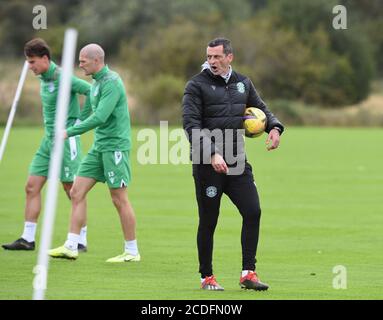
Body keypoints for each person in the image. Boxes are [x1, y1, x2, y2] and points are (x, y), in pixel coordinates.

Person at [182, 38, 284, 291]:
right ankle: (207, 277)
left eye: (217, 57)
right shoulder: (196, 86)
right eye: (209, 57)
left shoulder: (243, 82)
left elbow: (260, 109)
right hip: (208, 166)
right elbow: (191, 126)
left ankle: (248, 273)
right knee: (209, 220)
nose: (212, 62)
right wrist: (212, 154)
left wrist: (274, 127)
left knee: (253, 211)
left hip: (237, 162)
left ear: (230, 57)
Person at [48, 44, 140, 262]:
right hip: (99, 147)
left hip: (115, 146)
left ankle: (132, 251)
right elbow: (89, 110)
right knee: (76, 192)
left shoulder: (112, 83)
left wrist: (68, 132)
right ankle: (71, 245)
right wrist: (77, 122)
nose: (79, 65)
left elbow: (100, 117)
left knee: (119, 199)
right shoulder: (96, 83)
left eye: (83, 61)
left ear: (96, 61)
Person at [2, 38, 90, 252]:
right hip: (48, 140)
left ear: (45, 59)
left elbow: (90, 91)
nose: (29, 67)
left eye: (32, 62)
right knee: (31, 186)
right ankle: (27, 238)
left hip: (66, 140)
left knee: (72, 190)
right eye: (27, 62)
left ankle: (80, 240)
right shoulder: (43, 78)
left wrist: (80, 122)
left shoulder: (62, 77)